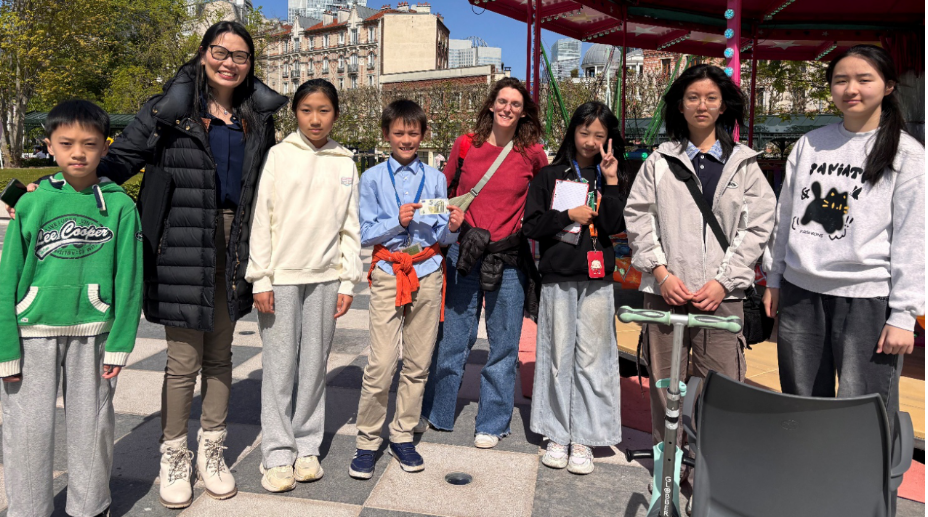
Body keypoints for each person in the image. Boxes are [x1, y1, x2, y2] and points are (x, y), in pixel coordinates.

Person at [89, 21, 286, 507]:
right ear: (202, 54)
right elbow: (118, 162)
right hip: (180, 241)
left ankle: (212, 452)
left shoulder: (257, 116)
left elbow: (271, 182)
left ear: (250, 64)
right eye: (221, 52)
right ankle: (174, 455)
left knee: (221, 355)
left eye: (240, 56)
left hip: (236, 241)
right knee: (183, 361)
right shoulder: (170, 109)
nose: (229, 63)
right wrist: (57, 187)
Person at [763, 45, 924, 439]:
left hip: (867, 299)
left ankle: (864, 478)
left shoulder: (908, 154)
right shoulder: (811, 143)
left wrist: (904, 315)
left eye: (864, 79)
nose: (851, 89)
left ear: (888, 86)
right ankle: (806, 471)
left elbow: (914, 237)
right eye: (841, 80)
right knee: (801, 401)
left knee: (863, 408)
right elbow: (785, 216)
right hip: (801, 292)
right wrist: (774, 278)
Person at [0, 100, 142, 517]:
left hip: (94, 333)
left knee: (92, 426)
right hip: (31, 335)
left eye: (89, 144)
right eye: (66, 143)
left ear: (105, 147)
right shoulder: (31, 203)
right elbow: (6, 279)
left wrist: (120, 343)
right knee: (26, 430)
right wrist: (5, 349)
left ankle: (90, 507)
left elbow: (129, 278)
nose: (78, 153)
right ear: (49, 146)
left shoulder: (121, 206)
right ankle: (28, 510)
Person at [624, 64, 776, 451]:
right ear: (680, 105)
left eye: (711, 97)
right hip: (665, 293)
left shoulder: (744, 164)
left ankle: (710, 469)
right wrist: (661, 273)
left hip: (721, 298)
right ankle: (668, 467)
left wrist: (724, 282)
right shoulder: (659, 161)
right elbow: (639, 218)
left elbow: (757, 227)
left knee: (720, 388)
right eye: (692, 97)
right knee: (665, 387)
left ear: (724, 105)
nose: (701, 105)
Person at [246, 79, 362, 493]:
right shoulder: (280, 156)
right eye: (307, 110)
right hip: (281, 278)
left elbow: (351, 227)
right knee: (279, 368)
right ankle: (278, 453)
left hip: (326, 278)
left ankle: (307, 446)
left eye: (324, 110)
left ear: (336, 114)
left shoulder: (345, 162)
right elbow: (262, 219)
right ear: (295, 112)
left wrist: (348, 280)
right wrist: (261, 277)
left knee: (314, 367)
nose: (315, 119)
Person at [420, 78, 547, 449]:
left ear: (523, 112)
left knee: (504, 344)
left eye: (515, 104)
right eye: (502, 101)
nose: (507, 108)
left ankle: (492, 423)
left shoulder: (533, 153)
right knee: (453, 340)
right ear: (491, 104)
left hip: (508, 257)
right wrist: (440, 217)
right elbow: (442, 193)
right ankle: (439, 412)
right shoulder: (466, 144)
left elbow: (545, 197)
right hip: (464, 252)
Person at [348, 99, 464, 479]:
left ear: (423, 134)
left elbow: (441, 235)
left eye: (413, 132)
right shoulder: (372, 179)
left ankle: (402, 435)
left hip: (428, 270)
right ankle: (367, 440)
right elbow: (365, 234)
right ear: (386, 135)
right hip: (389, 271)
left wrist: (454, 227)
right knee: (381, 363)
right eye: (398, 132)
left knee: (417, 362)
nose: (406, 139)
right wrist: (397, 223)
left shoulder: (435, 178)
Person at [522, 101, 629, 474]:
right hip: (559, 276)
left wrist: (611, 181)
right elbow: (531, 226)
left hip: (597, 279)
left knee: (594, 358)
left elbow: (615, 226)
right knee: (556, 356)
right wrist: (567, 215)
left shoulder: (611, 175)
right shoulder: (550, 176)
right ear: (573, 132)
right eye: (585, 132)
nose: (591, 141)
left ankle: (584, 436)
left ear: (609, 139)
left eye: (599, 135)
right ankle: (557, 433)